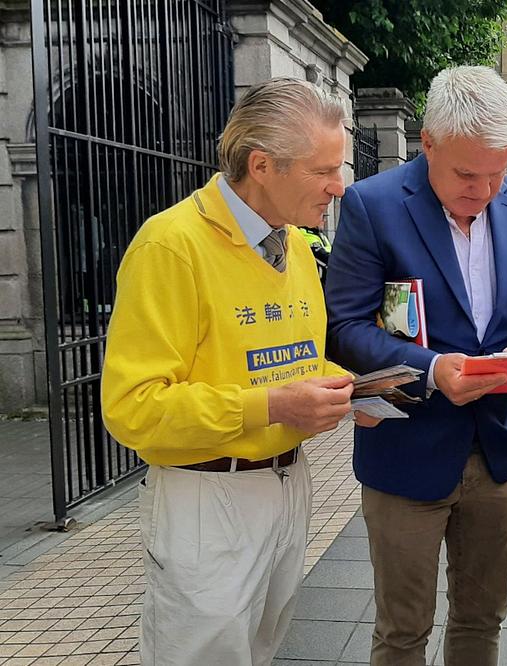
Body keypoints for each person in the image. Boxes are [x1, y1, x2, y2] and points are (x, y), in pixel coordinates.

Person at [101, 78, 377, 665]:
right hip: (207, 495)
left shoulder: (295, 246)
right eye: (324, 169)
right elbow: (133, 407)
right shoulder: (171, 246)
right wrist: (274, 407)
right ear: (262, 165)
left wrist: (350, 390)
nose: (340, 186)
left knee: (258, 650)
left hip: (287, 484)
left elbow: (291, 358)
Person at [324, 65, 507, 666]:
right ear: (427, 142)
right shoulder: (373, 205)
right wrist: (434, 369)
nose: (484, 192)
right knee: (403, 630)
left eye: (497, 173)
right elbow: (344, 327)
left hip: (499, 453)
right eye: (467, 174)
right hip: (406, 451)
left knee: (481, 621)